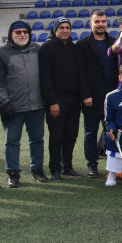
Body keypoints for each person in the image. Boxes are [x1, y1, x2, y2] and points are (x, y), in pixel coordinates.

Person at [0, 20, 47, 188]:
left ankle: (37, 170)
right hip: (13, 106)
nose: (22, 35)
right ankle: (13, 173)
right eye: (18, 32)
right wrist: (4, 102)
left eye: (25, 32)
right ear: (11, 34)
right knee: (12, 140)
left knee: (37, 139)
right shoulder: (1, 53)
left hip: (37, 105)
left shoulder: (37, 49)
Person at [39, 17, 86, 180]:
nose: (65, 30)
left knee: (71, 135)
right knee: (56, 136)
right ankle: (55, 169)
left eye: (67, 27)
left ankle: (68, 166)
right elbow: (45, 78)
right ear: (55, 30)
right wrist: (52, 102)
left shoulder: (73, 47)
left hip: (74, 100)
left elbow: (80, 74)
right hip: (56, 101)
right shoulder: (46, 48)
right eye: (62, 27)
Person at [76, 10, 118, 177]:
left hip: (111, 96)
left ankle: (111, 163)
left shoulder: (114, 42)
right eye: (97, 22)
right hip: (91, 97)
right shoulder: (82, 45)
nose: (101, 24)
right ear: (90, 24)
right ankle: (92, 164)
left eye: (103, 21)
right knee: (90, 133)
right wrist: (85, 94)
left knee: (111, 131)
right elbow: (80, 73)